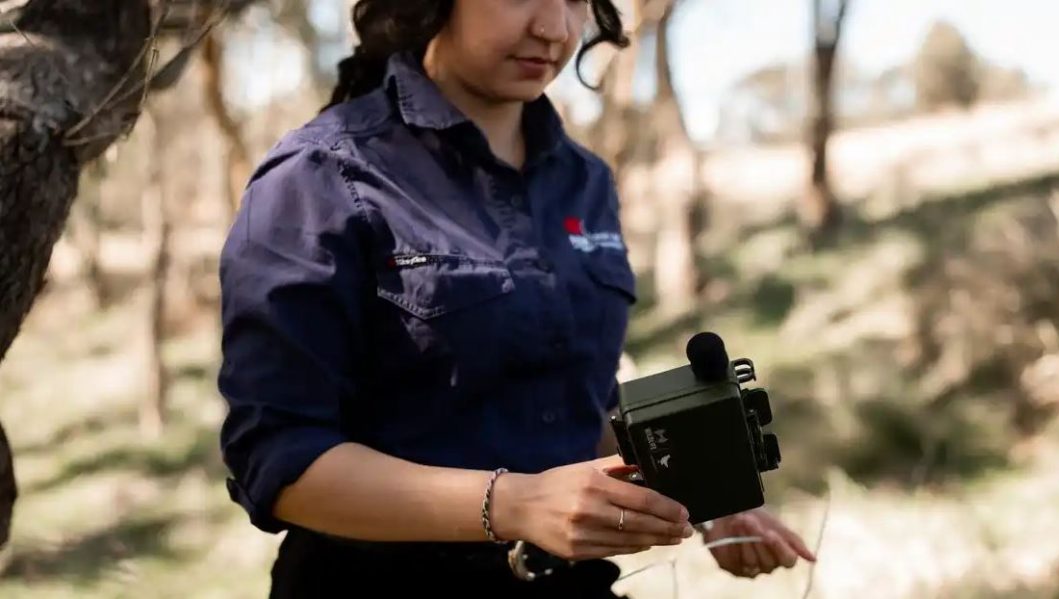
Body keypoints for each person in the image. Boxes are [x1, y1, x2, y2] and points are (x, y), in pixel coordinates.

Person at [216, 1, 815, 597]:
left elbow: (573, 405)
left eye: (577, 0)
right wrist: (513, 504)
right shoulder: (321, 174)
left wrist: (695, 497)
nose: (554, 28)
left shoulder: (585, 181)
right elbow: (276, 456)